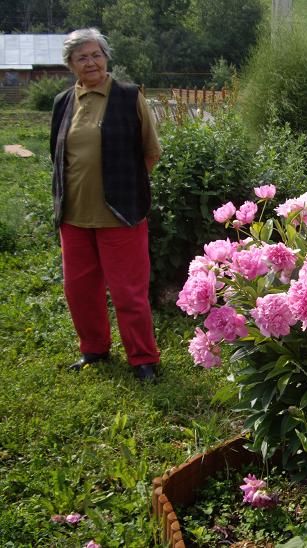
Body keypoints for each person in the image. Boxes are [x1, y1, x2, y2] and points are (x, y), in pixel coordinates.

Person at [50, 28, 161, 382]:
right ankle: (94, 349)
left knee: (129, 291)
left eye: (96, 54)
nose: (91, 62)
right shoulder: (63, 102)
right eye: (82, 57)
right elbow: (56, 154)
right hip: (74, 215)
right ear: (71, 65)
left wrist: (123, 185)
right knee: (79, 290)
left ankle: (143, 359)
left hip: (121, 214)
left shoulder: (128, 97)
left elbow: (150, 151)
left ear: (106, 57)